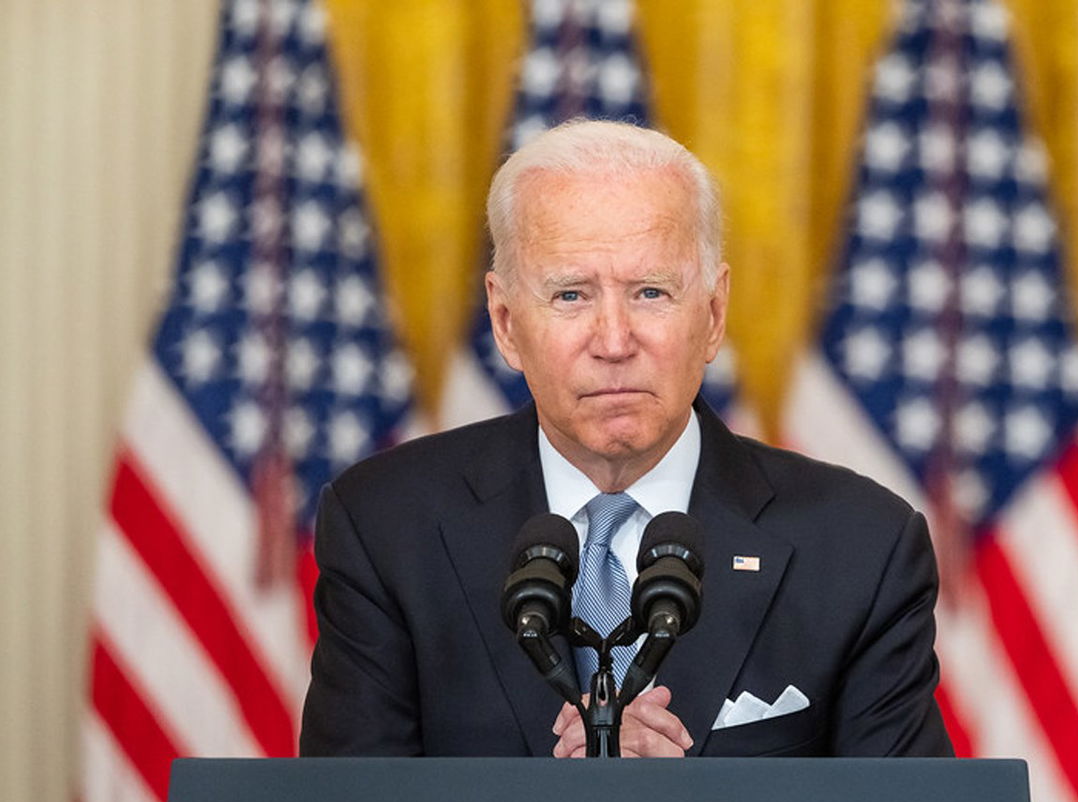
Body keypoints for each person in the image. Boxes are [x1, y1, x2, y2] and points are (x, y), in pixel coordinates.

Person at [299, 119, 953, 759]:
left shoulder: (861, 548)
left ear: (713, 315)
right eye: (572, 295)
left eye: (649, 292)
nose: (614, 342)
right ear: (505, 323)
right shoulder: (387, 528)